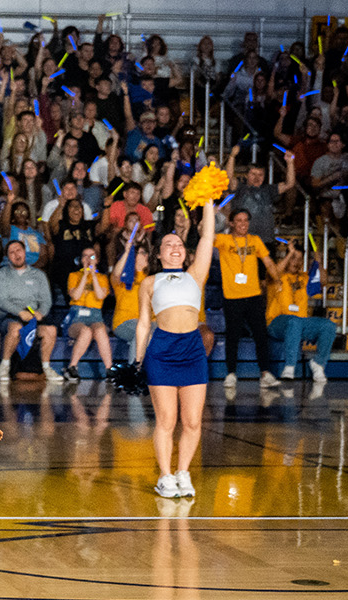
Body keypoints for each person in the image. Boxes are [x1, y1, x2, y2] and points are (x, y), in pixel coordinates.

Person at [134, 187, 217, 499]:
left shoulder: (195, 275)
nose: (174, 247)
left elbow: (207, 238)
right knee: (166, 420)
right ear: (158, 254)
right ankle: (165, 476)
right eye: (168, 244)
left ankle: (183, 472)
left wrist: (208, 203)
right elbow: (144, 324)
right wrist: (138, 361)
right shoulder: (149, 283)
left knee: (193, 420)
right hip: (162, 351)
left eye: (179, 244)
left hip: (193, 350)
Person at [215, 208, 280, 387]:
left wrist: (278, 279)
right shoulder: (224, 240)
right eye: (239, 220)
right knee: (233, 336)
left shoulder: (255, 240)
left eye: (245, 220)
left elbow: (267, 261)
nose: (243, 224)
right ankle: (230, 374)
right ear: (231, 223)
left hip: (253, 296)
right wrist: (210, 214)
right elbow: (204, 235)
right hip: (232, 297)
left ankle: (265, 374)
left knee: (260, 335)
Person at [0, 240, 61, 381]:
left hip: (34, 316)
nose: (16, 255)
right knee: (15, 327)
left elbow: (46, 301)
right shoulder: (1, 274)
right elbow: (1, 301)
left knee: (51, 330)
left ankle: (46, 368)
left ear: (25, 252)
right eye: (12, 252)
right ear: (8, 257)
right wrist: (20, 312)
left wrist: (40, 313)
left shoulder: (38, 275)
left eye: (19, 250)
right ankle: (4, 366)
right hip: (10, 315)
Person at [264, 243, 334, 382]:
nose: (296, 262)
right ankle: (289, 367)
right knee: (293, 321)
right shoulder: (277, 275)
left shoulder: (304, 277)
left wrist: (319, 263)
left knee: (328, 325)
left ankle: (318, 363)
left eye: (299, 259)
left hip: (301, 323)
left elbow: (323, 281)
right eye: (293, 258)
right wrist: (289, 253)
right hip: (276, 322)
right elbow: (274, 272)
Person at [64, 246, 114, 380]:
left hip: (95, 315)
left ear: (96, 260)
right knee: (85, 331)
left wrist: (93, 275)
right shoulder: (74, 276)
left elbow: (100, 295)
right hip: (76, 315)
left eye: (91, 256)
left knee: (100, 331)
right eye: (85, 256)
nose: (88, 259)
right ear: (81, 260)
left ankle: (109, 369)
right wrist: (85, 275)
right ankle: (72, 367)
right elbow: (75, 295)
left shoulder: (102, 278)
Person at [110, 236, 149, 360]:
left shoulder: (151, 277)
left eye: (146, 253)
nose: (146, 255)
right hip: (124, 321)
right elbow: (116, 274)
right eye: (142, 253)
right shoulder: (125, 278)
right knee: (141, 331)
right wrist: (127, 252)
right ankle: (134, 371)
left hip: (150, 321)